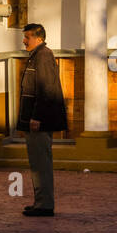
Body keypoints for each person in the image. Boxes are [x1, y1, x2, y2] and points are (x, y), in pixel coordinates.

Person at [17, 23, 68, 218]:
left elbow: (46, 88)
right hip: (34, 120)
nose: (24, 41)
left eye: (27, 37)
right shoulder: (37, 56)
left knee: (41, 163)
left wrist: (36, 116)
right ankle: (40, 201)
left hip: (39, 121)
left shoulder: (43, 55)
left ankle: (45, 204)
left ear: (38, 38)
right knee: (37, 162)